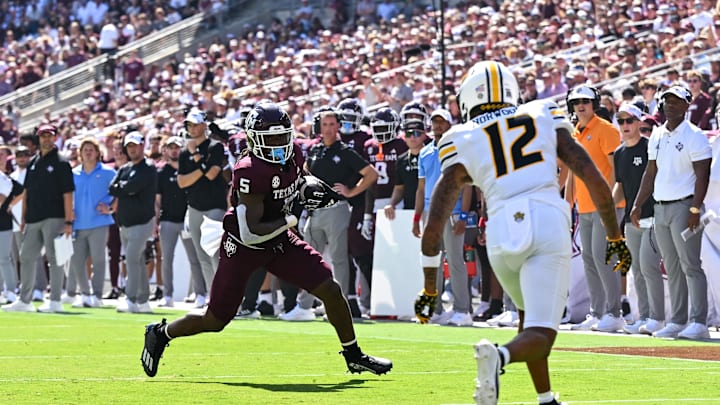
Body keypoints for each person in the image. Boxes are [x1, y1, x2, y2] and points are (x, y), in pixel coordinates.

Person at [414, 61, 630, 405]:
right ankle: (498, 358)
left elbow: (434, 223)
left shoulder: (461, 136)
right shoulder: (542, 112)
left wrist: (428, 289)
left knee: (530, 319)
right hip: (545, 220)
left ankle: (545, 398)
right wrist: (615, 236)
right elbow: (589, 174)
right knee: (543, 332)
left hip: (500, 233)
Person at [140, 102, 391, 378]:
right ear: (253, 139)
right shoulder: (249, 170)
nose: (278, 144)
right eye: (270, 139)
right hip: (244, 246)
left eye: (282, 136)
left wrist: (313, 188)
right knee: (215, 319)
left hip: (279, 240)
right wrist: (295, 214)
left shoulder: (294, 151)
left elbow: (300, 177)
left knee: (330, 289)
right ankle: (160, 333)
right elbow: (252, 231)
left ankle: (353, 355)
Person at [630, 85, 712, 340]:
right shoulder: (656, 134)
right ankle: (677, 320)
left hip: (685, 206)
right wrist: (637, 203)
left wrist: (696, 208)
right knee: (673, 266)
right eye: (667, 100)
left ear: (687, 105)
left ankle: (699, 322)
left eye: (676, 101)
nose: (670, 105)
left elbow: (702, 175)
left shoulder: (695, 135)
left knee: (690, 265)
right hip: (660, 207)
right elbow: (650, 173)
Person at [281, 107, 378, 320]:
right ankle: (305, 306)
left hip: (336, 210)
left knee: (339, 259)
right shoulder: (315, 150)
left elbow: (371, 174)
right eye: (325, 124)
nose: (328, 129)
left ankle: (338, 306)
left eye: (332, 124)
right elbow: (305, 172)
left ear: (338, 126)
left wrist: (351, 191)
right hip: (315, 211)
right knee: (308, 260)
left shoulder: (344, 151)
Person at [565, 85, 625, 333]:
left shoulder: (607, 129)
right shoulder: (575, 132)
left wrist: (607, 203)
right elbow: (571, 172)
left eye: (586, 101)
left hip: (605, 206)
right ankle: (597, 312)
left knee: (603, 258)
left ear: (594, 104)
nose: (581, 105)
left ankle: (614, 313)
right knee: (589, 259)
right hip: (585, 206)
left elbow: (615, 171)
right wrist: (567, 205)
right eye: (577, 101)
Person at [2, 124, 75, 313]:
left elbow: (68, 193)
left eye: (50, 135)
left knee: (54, 258)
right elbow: (26, 192)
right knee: (26, 256)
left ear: (55, 137)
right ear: (38, 138)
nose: (46, 139)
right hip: (33, 218)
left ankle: (56, 300)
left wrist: (68, 221)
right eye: (43, 136)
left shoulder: (61, 162)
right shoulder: (33, 162)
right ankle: (24, 300)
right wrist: (24, 216)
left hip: (55, 217)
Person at [412, 106, 473, 327]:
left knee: (455, 261)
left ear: (449, 124)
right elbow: (421, 188)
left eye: (442, 122)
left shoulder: (458, 149)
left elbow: (467, 186)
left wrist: (464, 215)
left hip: (453, 210)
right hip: (430, 212)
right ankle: (435, 308)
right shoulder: (425, 152)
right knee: (432, 261)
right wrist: (417, 216)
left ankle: (462, 310)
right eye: (435, 122)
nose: (438, 125)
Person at [612, 104, 665, 335]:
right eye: (621, 120)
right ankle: (644, 317)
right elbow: (621, 187)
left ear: (639, 122)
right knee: (638, 270)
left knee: (649, 267)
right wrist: (607, 210)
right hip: (631, 221)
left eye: (629, 120)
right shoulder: (619, 153)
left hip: (652, 216)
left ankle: (658, 318)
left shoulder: (650, 147)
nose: (625, 125)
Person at [177, 108, 228, 309]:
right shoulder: (183, 152)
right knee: (202, 255)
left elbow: (212, 175)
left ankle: (224, 297)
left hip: (215, 206)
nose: (192, 128)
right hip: (195, 207)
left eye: (195, 124)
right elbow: (182, 182)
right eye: (189, 124)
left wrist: (196, 156)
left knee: (215, 253)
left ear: (204, 125)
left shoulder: (215, 147)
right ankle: (214, 298)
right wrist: (201, 168)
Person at [108, 132, 158, 314]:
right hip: (125, 223)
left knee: (131, 258)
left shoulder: (149, 168)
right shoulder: (124, 169)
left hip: (143, 222)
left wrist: (125, 188)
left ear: (142, 146)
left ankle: (130, 298)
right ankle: (143, 301)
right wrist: (125, 189)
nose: (132, 149)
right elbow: (112, 188)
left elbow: (131, 187)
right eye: (129, 146)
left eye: (135, 145)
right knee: (136, 260)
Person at [68, 137, 116, 308]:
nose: (88, 152)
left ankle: (96, 295)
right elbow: (66, 196)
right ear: (80, 153)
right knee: (77, 261)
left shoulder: (109, 172)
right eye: (85, 150)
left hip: (99, 223)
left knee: (98, 260)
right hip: (78, 224)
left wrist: (111, 208)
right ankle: (85, 294)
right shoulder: (73, 173)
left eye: (91, 149)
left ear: (97, 153)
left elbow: (119, 193)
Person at [155, 136, 202, 307]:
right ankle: (167, 295)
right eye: (170, 147)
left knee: (194, 259)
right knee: (166, 258)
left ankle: (200, 294)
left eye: (177, 147)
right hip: (167, 220)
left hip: (188, 220)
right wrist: (156, 221)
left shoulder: (189, 167)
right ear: (165, 150)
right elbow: (157, 199)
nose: (174, 150)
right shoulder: (161, 172)